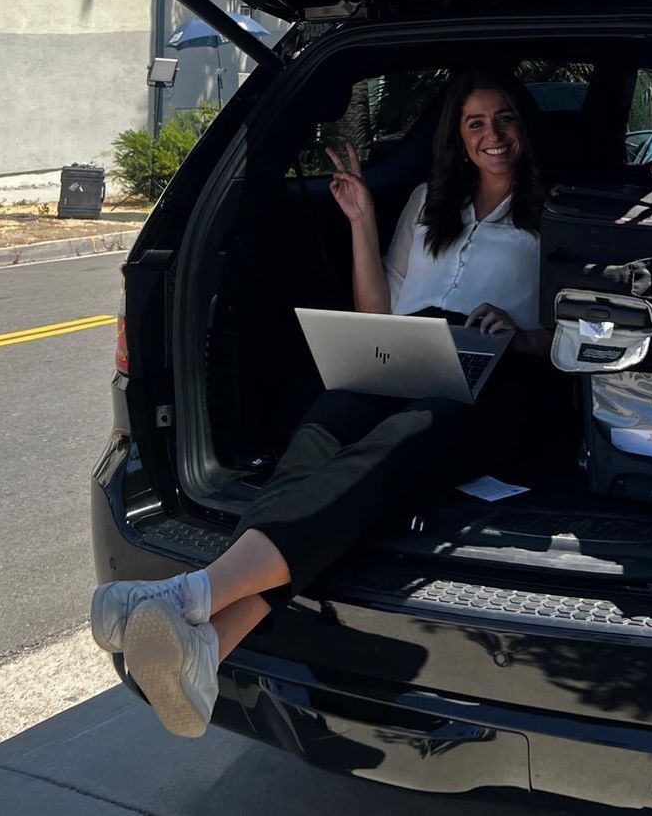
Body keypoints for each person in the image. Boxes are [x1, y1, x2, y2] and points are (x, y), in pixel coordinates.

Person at [90, 69, 557, 738]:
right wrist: (362, 222)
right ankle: (209, 645)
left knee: (390, 449)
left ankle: (192, 593)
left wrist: (523, 335)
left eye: (504, 118)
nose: (493, 135)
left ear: (525, 126)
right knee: (316, 437)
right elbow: (378, 311)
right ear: (457, 135)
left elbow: (576, 333)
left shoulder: (554, 213)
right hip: (408, 352)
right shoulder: (428, 202)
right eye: (475, 122)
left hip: (496, 376)